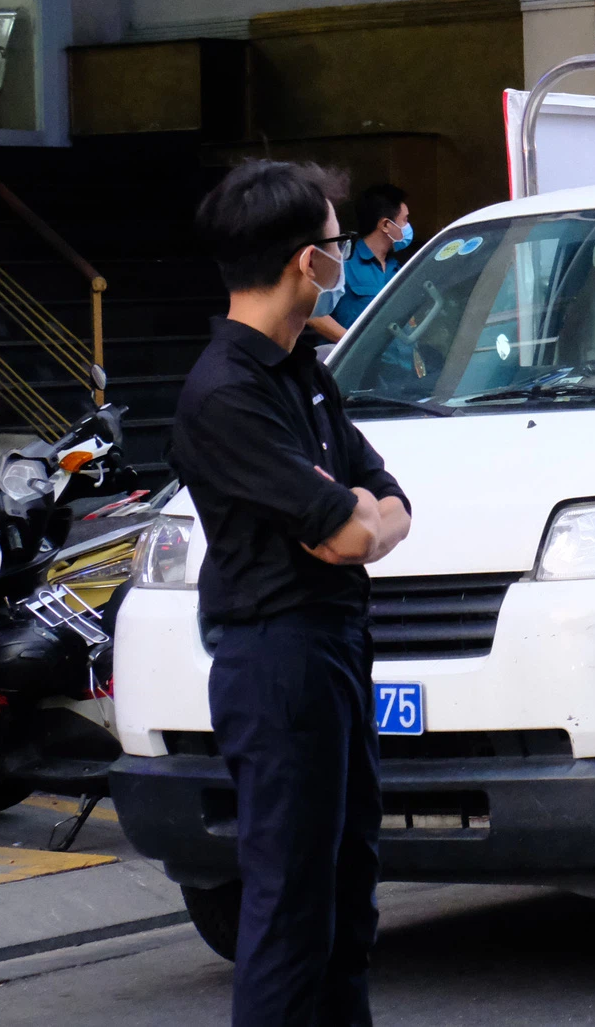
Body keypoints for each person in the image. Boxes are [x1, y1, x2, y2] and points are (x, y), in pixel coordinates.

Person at [173, 161, 412, 1025]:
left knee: (351, 897)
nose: (343, 255)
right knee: (290, 913)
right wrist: (359, 521)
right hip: (277, 663)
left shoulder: (303, 367)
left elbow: (385, 499)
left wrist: (361, 518)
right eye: (337, 242)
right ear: (306, 261)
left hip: (339, 647)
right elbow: (351, 530)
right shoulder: (225, 395)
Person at [308, 183, 413, 346]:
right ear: (386, 225)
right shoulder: (343, 262)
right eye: (405, 220)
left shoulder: (399, 269)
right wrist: (353, 345)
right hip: (357, 369)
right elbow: (312, 312)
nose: (408, 227)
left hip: (401, 367)